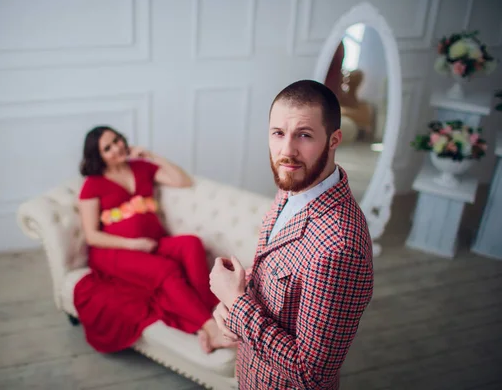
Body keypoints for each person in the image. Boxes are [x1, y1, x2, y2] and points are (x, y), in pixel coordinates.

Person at [209, 80, 374, 389]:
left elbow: (311, 374)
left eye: (304, 135)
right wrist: (229, 307)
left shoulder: (340, 248)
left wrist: (235, 299)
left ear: (334, 139)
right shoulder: (293, 187)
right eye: (278, 134)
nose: (287, 151)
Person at [74, 125, 235, 354]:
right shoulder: (92, 185)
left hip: (152, 242)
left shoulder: (141, 167)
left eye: (117, 140)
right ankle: (210, 328)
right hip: (113, 253)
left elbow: (182, 181)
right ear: (98, 156)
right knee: (166, 270)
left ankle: (208, 312)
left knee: (191, 243)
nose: (116, 148)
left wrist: (151, 155)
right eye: (107, 148)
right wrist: (132, 244)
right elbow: (92, 235)